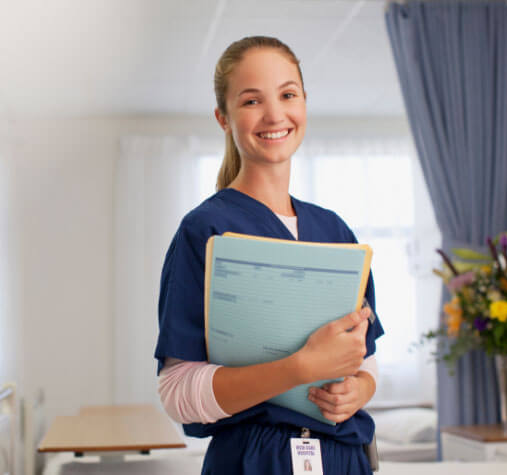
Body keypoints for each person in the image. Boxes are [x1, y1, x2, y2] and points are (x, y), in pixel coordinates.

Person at [155, 36, 383, 475]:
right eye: (251, 100)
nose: (275, 114)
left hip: (345, 458)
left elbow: (366, 362)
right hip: (254, 460)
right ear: (223, 118)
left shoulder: (336, 232)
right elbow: (177, 393)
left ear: (304, 104)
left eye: (287, 94)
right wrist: (299, 368)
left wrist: (358, 391)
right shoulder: (204, 231)